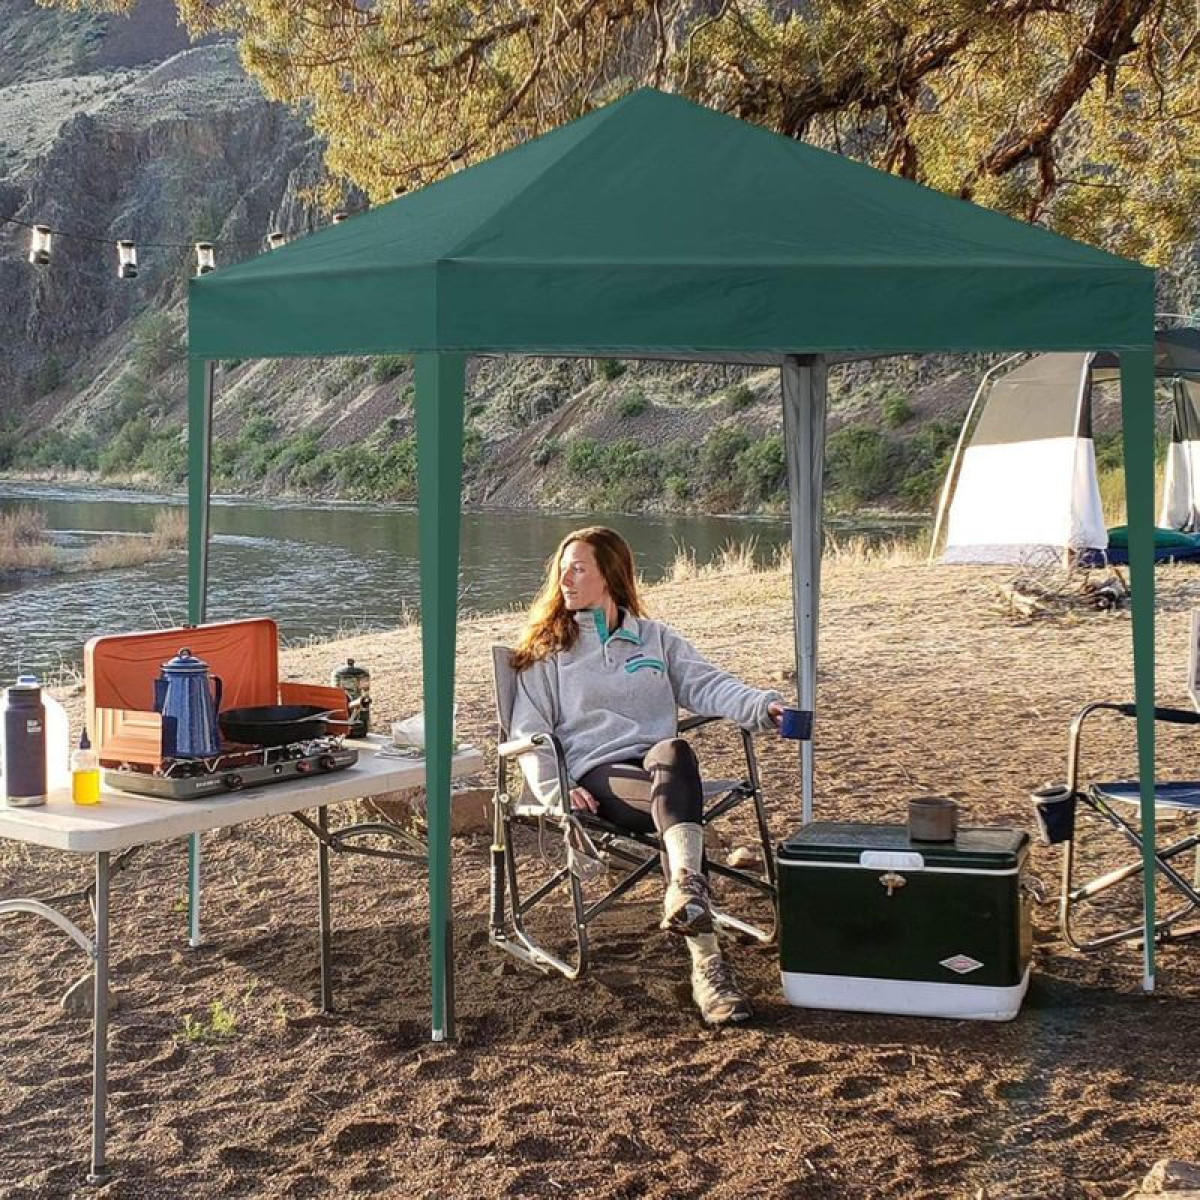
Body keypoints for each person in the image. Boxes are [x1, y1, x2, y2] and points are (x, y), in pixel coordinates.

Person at [509, 526, 784, 1026]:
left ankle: (686, 889)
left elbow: (708, 683)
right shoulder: (548, 650)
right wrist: (557, 789)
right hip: (599, 776)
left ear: (611, 575)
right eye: (562, 569)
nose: (565, 579)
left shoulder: (655, 638)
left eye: (579, 569)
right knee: (673, 803)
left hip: (660, 768)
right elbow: (529, 732)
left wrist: (762, 706)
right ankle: (709, 965)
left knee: (676, 750)